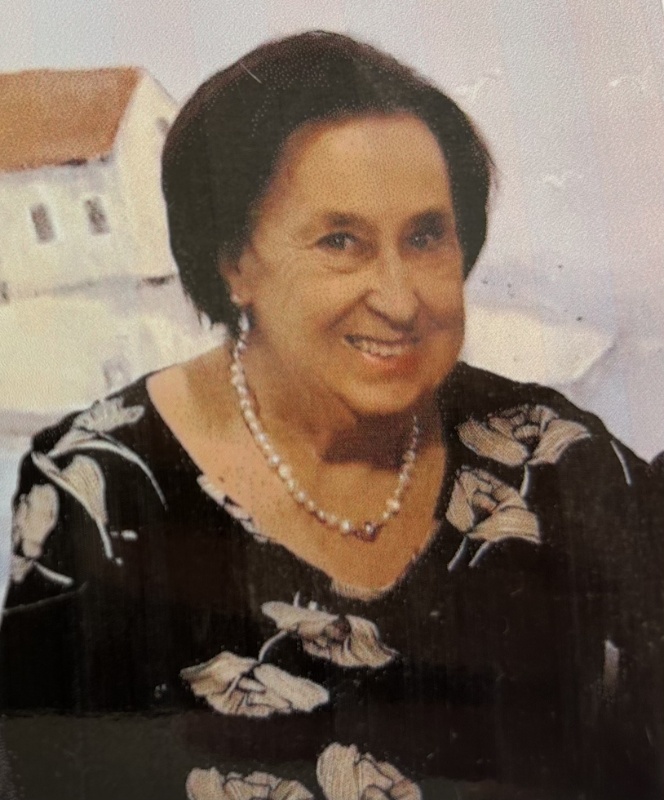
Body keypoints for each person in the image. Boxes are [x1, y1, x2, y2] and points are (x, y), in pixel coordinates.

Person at [0, 31, 661, 800]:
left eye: (426, 236)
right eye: (341, 241)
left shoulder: (550, 455)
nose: (400, 298)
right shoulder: (98, 492)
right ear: (234, 261)